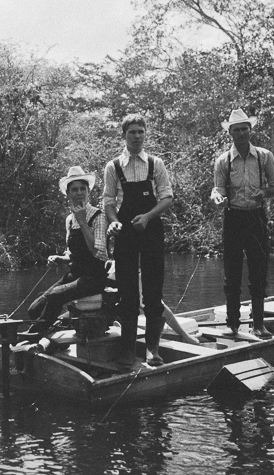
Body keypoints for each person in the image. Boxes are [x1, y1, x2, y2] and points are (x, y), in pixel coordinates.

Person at [104, 114, 199, 368]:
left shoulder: (155, 164)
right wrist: (113, 221)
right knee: (127, 295)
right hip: (124, 234)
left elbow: (167, 197)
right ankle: (126, 351)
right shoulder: (113, 167)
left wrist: (147, 217)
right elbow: (108, 202)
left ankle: (152, 350)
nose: (137, 136)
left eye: (141, 132)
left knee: (154, 293)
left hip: (151, 230)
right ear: (124, 135)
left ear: (146, 134)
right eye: (132, 132)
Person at [210, 108, 274, 338]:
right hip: (233, 217)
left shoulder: (264, 156)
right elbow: (217, 189)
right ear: (230, 133)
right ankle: (232, 324)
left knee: (258, 272)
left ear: (250, 130)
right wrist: (218, 199)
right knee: (231, 273)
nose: (241, 133)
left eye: (245, 129)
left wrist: (264, 193)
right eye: (237, 130)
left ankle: (258, 324)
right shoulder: (223, 160)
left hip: (256, 218)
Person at [26, 166, 109, 334]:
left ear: (88, 192)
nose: (79, 193)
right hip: (75, 274)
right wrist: (60, 258)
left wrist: (83, 222)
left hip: (94, 278)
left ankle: (33, 336)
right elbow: (72, 253)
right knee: (34, 309)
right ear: (68, 194)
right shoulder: (70, 220)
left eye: (82, 189)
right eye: (74, 190)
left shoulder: (98, 216)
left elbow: (98, 253)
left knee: (56, 295)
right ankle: (54, 331)